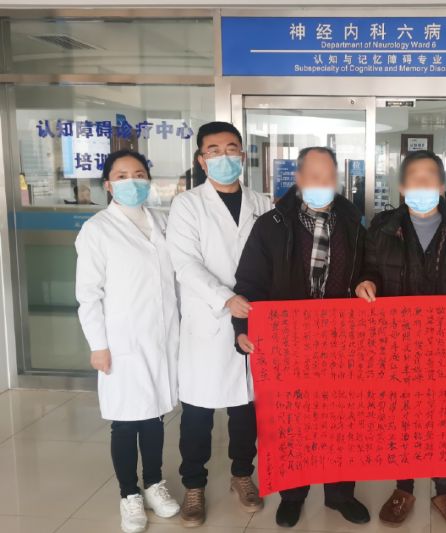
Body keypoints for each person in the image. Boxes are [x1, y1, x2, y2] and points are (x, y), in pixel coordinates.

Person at [233, 146, 370, 529]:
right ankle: (293, 494)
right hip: (289, 342)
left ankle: (340, 495)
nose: (321, 184)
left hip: (341, 340)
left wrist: (367, 281)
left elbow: (368, 269)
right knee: (293, 422)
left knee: (341, 422)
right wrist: (243, 329)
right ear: (298, 179)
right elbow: (250, 281)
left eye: (328, 177)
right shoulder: (272, 225)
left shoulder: (353, 223)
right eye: (313, 176)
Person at [354, 149, 446, 529]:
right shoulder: (382, 227)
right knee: (403, 415)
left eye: (430, 177)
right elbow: (368, 269)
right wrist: (365, 283)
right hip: (398, 341)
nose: (422, 184)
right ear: (401, 186)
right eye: (414, 178)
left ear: (443, 185)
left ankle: (445, 489)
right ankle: (404, 487)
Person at [166, 121, 272, 527]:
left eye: (231, 148)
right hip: (209, 321)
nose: (223, 156)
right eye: (214, 150)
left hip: (254, 319)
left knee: (246, 407)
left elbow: (275, 258)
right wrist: (224, 297)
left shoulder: (262, 203)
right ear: (201, 159)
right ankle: (194, 485)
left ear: (243, 155)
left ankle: (242, 475)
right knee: (198, 411)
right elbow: (185, 263)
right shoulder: (187, 205)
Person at [75, 149, 181, 533]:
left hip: (162, 337)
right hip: (122, 340)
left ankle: (153, 484)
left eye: (138, 174)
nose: (132, 181)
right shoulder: (97, 230)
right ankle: (129, 495)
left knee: (153, 416)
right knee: (124, 421)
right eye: (122, 176)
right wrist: (98, 344)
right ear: (108, 184)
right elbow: (89, 294)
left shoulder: (162, 222)